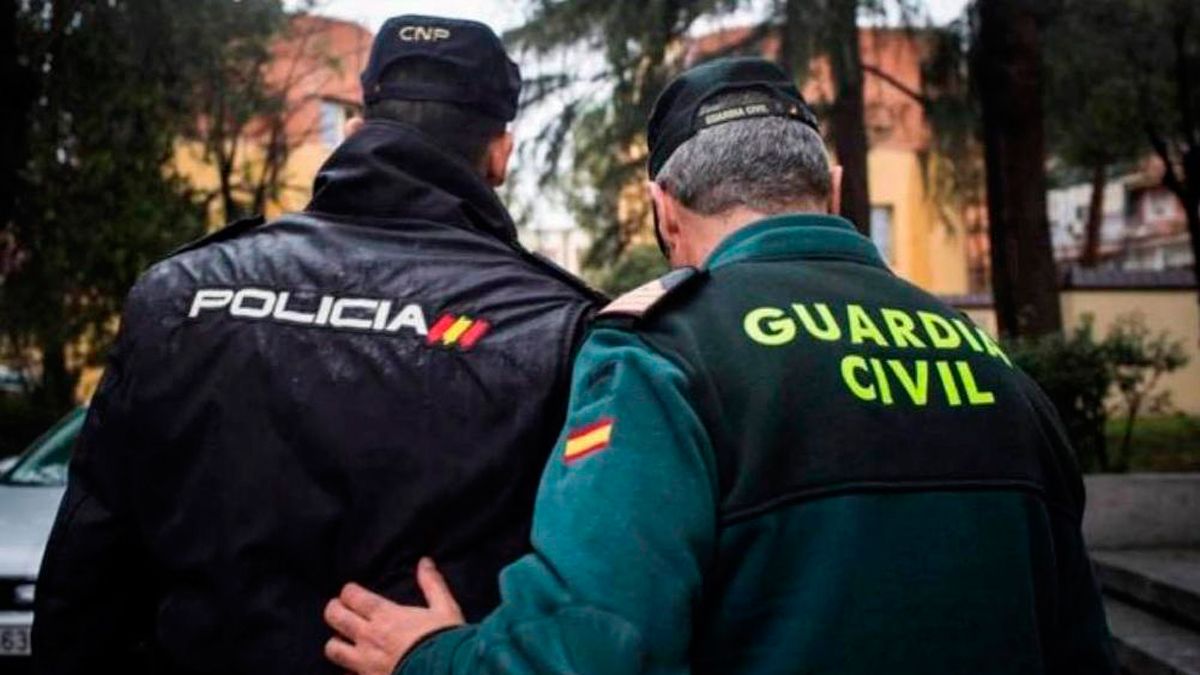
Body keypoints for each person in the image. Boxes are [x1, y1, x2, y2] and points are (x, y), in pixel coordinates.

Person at [321, 57, 1117, 675]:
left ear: (663, 207)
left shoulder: (661, 355)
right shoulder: (998, 371)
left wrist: (431, 655)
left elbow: (593, 649)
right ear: (834, 188)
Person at [33, 15, 602, 675]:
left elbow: (86, 578)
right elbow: (591, 611)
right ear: (501, 153)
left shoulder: (177, 294)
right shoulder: (561, 326)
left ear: (357, 131)